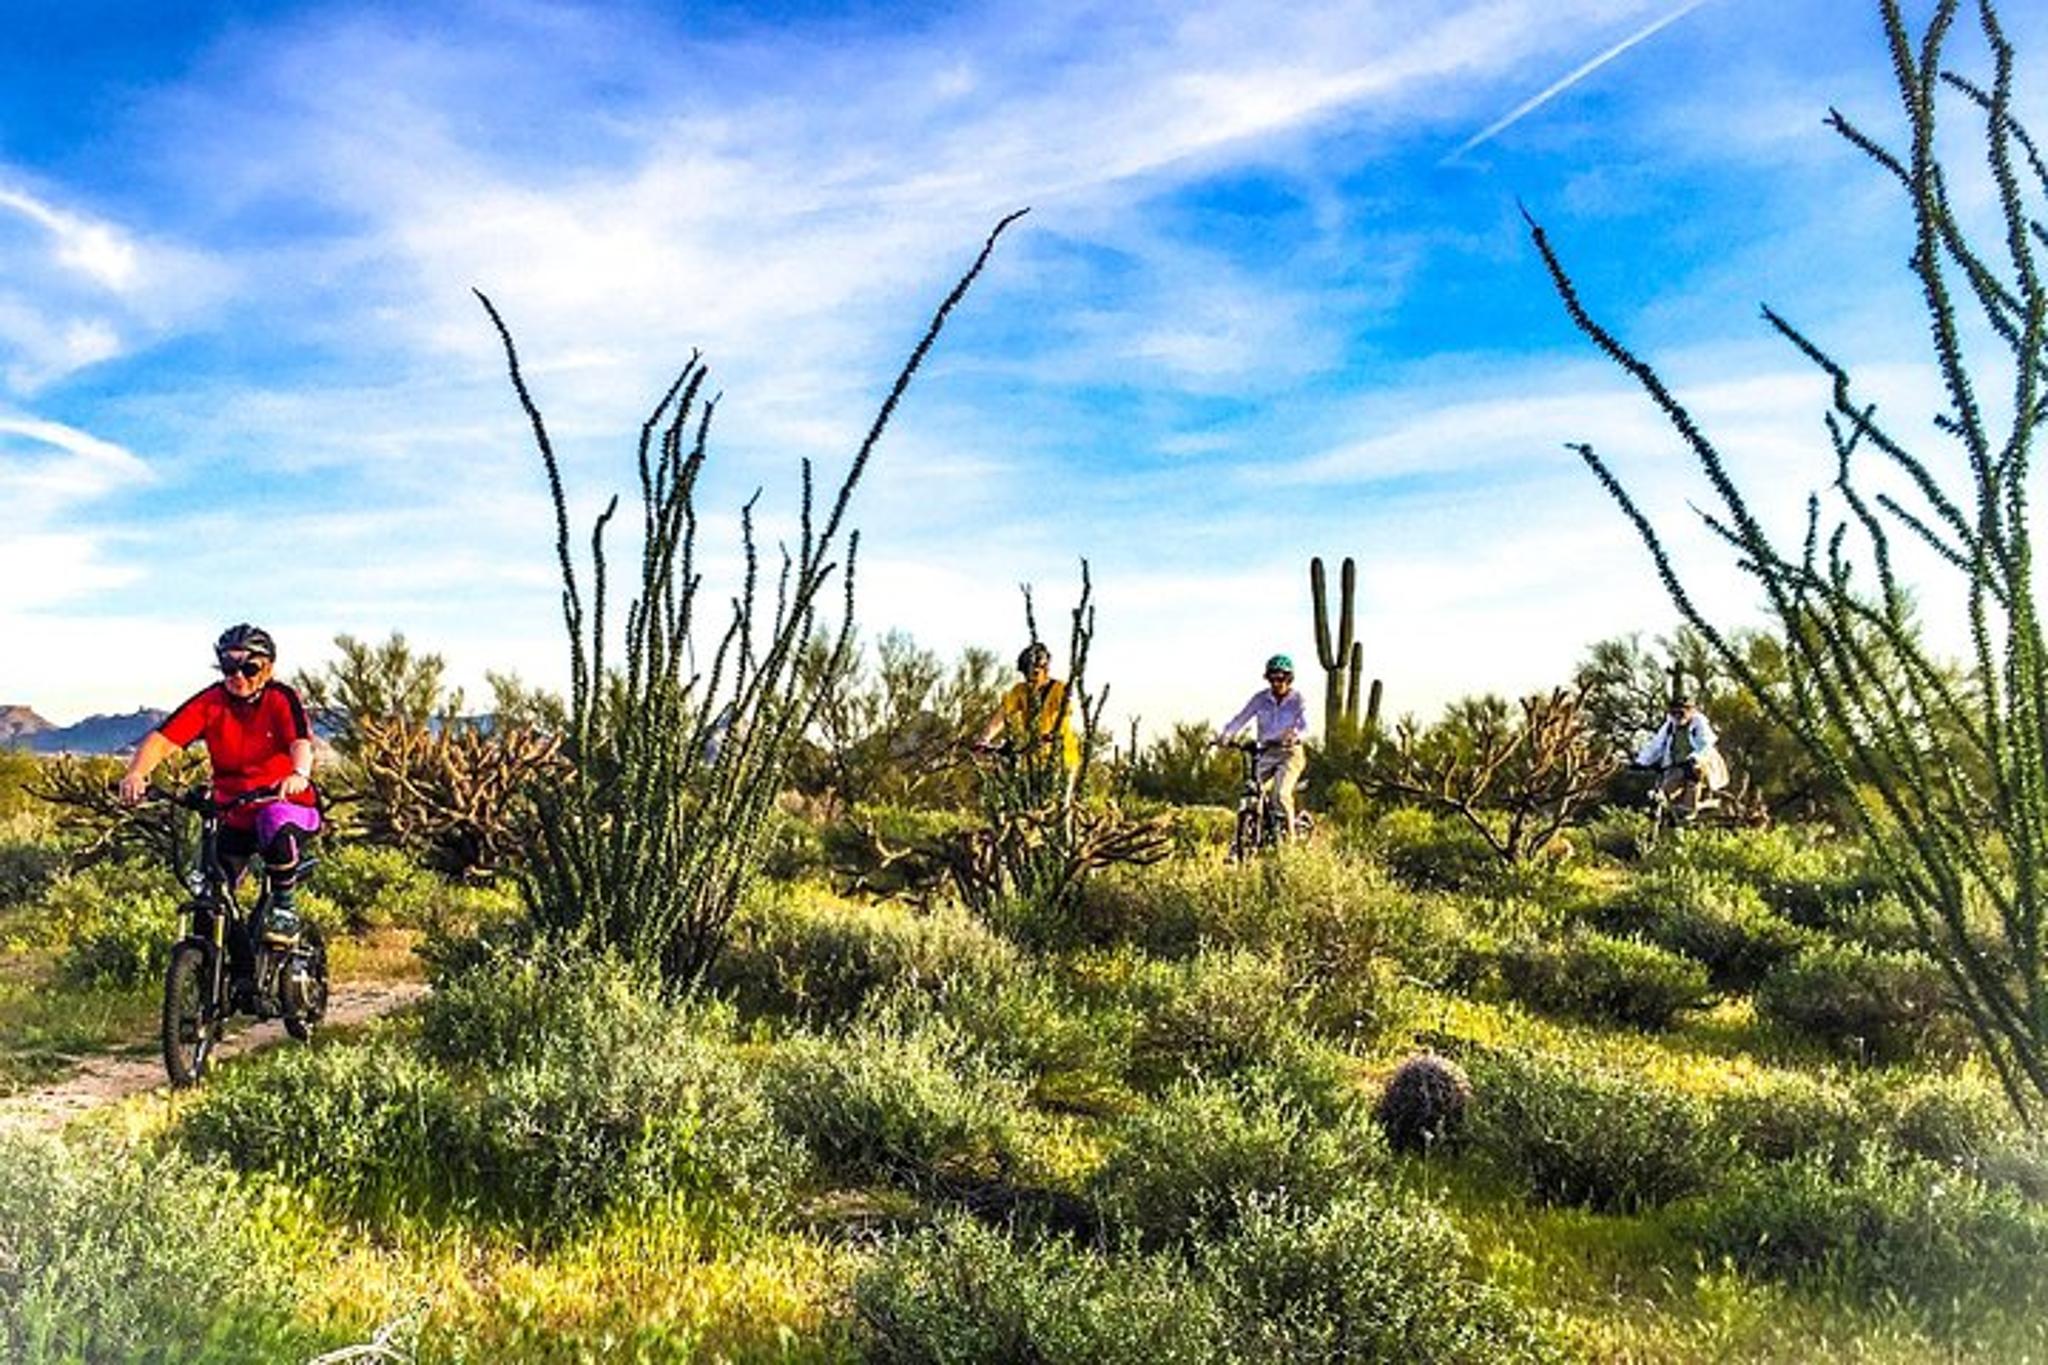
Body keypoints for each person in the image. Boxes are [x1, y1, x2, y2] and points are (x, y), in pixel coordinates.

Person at [118, 624, 321, 989]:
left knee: (275, 821)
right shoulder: (211, 702)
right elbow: (163, 740)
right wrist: (136, 773)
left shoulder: (280, 698)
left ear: (268, 669)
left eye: (249, 668)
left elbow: (300, 741)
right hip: (234, 811)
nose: (238, 677)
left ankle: (285, 908)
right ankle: (224, 986)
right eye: (229, 667)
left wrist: (298, 774)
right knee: (211, 898)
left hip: (287, 803)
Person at [1213, 654, 1309, 835]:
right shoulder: (1260, 699)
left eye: (1281, 678)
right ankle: (1242, 841)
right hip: (1266, 751)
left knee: (1280, 795)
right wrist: (1226, 736)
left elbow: (1304, 725)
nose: (1276, 683)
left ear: (1289, 679)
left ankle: (1290, 844)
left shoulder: (1297, 700)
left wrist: (1295, 735)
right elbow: (1241, 717)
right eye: (1272, 678)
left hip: (1290, 753)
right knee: (1251, 789)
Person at [978, 642, 1082, 776]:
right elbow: (1003, 714)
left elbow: (1064, 716)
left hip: (1062, 760)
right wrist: (985, 738)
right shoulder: (1020, 690)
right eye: (1025, 673)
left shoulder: (1059, 689)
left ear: (1046, 669)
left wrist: (1049, 735)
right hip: (1034, 761)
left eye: (1034, 672)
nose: (1029, 678)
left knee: (1054, 795)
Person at [1634, 696, 1729, 817]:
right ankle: (1661, 809)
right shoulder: (1669, 726)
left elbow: (1706, 746)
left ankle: (1689, 808)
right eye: (1673, 712)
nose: (1677, 716)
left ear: (1691, 711)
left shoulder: (1699, 724)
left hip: (1700, 768)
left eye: (1681, 712)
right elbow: (1656, 745)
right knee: (1664, 792)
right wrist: (1641, 762)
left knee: (1692, 770)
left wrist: (1694, 758)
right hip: (1675, 767)